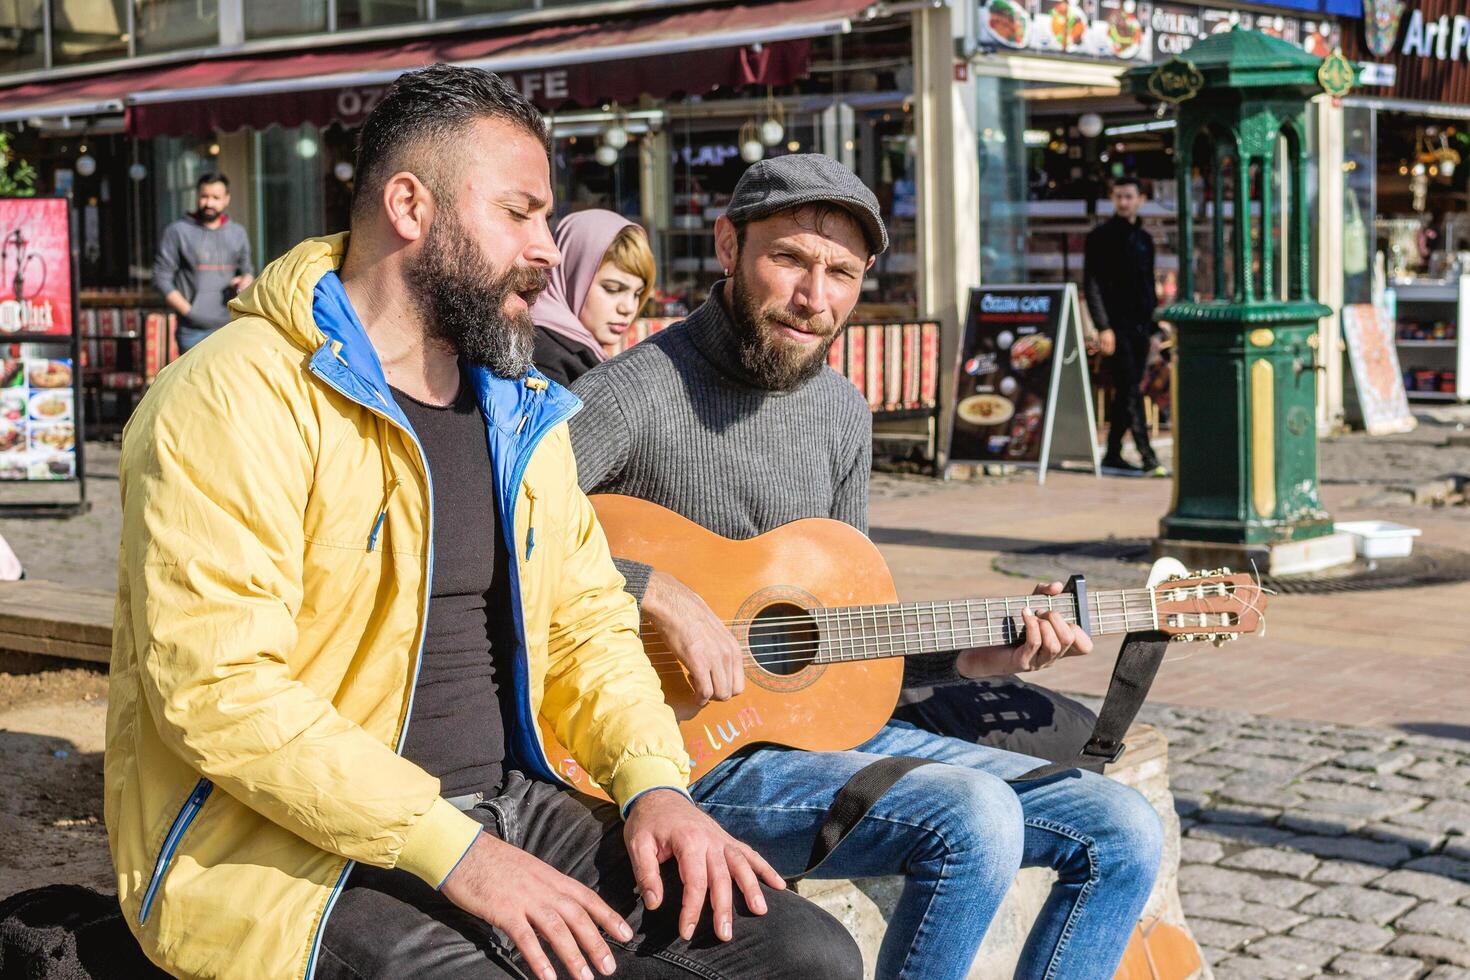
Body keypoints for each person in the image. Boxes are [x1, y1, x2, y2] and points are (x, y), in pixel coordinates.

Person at [107, 66, 861, 980]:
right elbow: (221, 692)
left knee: (804, 953)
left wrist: (655, 784)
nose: (548, 249)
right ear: (410, 206)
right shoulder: (235, 395)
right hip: (285, 851)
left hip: (512, 799)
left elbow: (586, 622)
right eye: (520, 213)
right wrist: (456, 853)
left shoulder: (517, 406)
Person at [569, 153, 1163, 980]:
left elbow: (832, 636)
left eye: (841, 273)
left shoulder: (844, 413)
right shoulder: (632, 393)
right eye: (790, 261)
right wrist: (651, 588)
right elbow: (493, 534)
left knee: (1125, 830)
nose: (816, 299)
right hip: (676, 759)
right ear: (728, 243)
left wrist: (972, 660)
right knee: (974, 816)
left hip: (809, 737)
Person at [1084, 175, 1165, 477]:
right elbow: (1091, 284)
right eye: (1118, 196)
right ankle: (1147, 456)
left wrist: (1155, 327)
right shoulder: (1100, 237)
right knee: (1130, 387)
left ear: (1140, 199)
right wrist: (1103, 326)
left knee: (1127, 388)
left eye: (1129, 196)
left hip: (1141, 325)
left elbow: (1147, 286)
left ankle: (1114, 453)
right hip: (1116, 327)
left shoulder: (1144, 239)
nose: (1123, 202)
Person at [532, 210, 656, 386]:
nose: (628, 307)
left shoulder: (580, 349)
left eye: (637, 294)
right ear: (570, 276)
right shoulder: (543, 359)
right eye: (612, 289)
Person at [152, 172, 254, 353]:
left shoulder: (237, 233)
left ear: (226, 199)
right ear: (197, 196)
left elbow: (247, 271)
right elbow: (161, 278)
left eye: (216, 197)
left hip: (230, 326)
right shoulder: (178, 231)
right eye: (204, 196)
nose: (209, 203)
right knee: (195, 381)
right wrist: (189, 312)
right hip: (192, 330)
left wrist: (245, 281)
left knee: (228, 381)